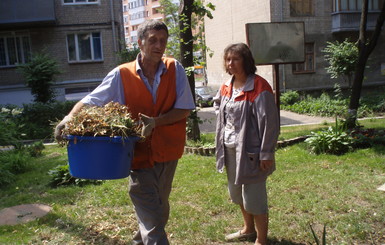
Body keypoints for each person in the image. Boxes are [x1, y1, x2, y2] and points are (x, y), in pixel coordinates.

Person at [54, 20, 195, 245]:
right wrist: (70, 117)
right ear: (140, 42)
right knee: (152, 213)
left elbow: (184, 108)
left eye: (163, 41)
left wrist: (156, 122)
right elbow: (92, 101)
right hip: (137, 153)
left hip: (168, 151)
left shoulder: (174, 68)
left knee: (159, 207)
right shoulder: (121, 74)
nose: (159, 45)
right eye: (153, 40)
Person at [214, 43, 279, 245]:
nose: (230, 63)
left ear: (246, 61)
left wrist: (266, 152)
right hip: (230, 149)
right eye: (228, 59)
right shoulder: (227, 86)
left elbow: (270, 123)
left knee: (254, 197)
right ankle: (248, 229)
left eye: (235, 59)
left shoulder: (259, 86)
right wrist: (223, 119)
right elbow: (218, 103)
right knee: (236, 192)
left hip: (252, 152)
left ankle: (261, 240)